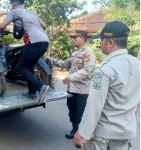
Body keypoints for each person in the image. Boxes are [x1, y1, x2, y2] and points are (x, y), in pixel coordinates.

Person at [74, 21, 140, 150]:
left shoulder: (106, 69)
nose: (100, 43)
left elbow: (94, 104)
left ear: (110, 43)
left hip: (104, 137)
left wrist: (82, 132)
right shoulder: (137, 64)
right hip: (126, 133)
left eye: (102, 40)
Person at [0, 0, 50, 104]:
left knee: (22, 67)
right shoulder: (30, 12)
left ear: (15, 3)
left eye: (12, 4)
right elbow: (44, 25)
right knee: (29, 67)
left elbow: (2, 26)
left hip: (34, 42)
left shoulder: (15, 11)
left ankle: (41, 88)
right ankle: (31, 92)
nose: (11, 6)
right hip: (45, 41)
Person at [50, 30, 95, 139]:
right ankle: (75, 129)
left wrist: (71, 78)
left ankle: (82, 135)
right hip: (72, 88)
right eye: (73, 38)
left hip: (82, 89)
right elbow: (65, 64)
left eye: (76, 37)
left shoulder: (88, 53)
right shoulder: (75, 53)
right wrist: (52, 60)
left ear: (84, 39)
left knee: (80, 112)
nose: (73, 40)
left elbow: (87, 70)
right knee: (72, 110)